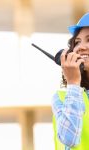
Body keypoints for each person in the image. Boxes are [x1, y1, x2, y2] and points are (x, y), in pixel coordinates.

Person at [52, 12, 89, 150]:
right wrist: (73, 83)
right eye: (77, 42)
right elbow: (70, 139)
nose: (80, 47)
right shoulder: (60, 98)